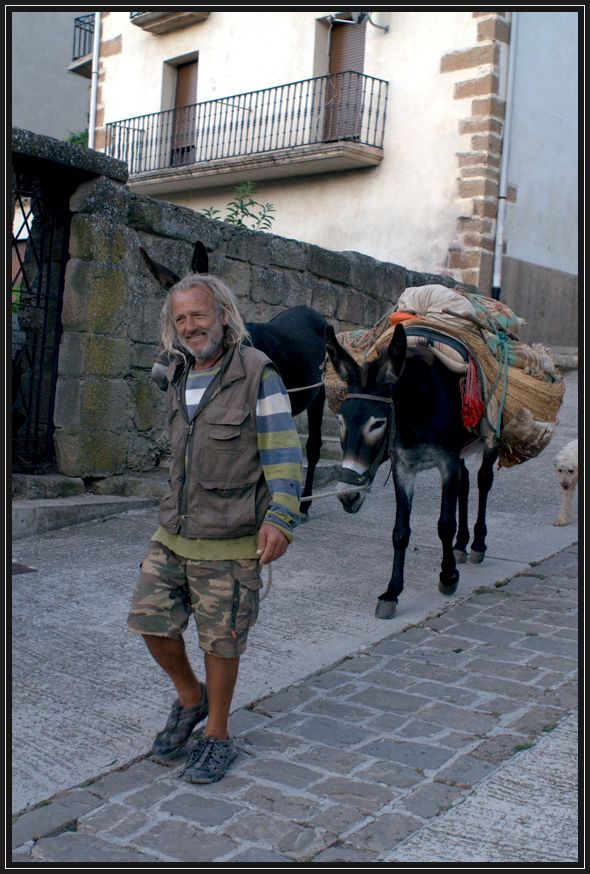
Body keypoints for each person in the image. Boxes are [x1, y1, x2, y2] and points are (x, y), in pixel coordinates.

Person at [127, 272, 302, 784]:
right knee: (149, 621)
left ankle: (217, 734)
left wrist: (281, 517)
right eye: (180, 319)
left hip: (232, 534)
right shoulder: (179, 371)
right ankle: (191, 698)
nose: (190, 326)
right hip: (175, 528)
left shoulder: (257, 372)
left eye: (198, 315)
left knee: (220, 641)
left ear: (223, 314)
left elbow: (283, 452)